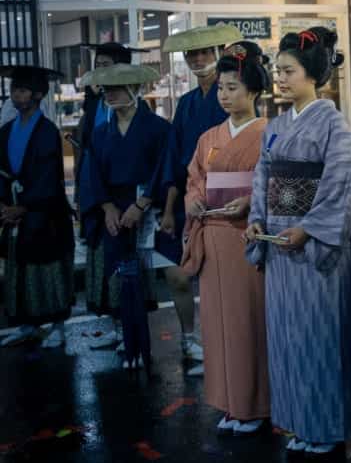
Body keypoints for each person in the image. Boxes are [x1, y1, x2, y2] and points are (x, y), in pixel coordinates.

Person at [245, 27, 351, 458]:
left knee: (318, 338)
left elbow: (341, 185)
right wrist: (257, 220)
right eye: (277, 70)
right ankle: (298, 421)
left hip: (314, 249)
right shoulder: (276, 126)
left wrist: (311, 228)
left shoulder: (333, 122)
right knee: (286, 337)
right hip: (279, 241)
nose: (280, 78)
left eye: (288, 71)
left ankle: (328, 429)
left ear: (312, 74)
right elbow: (262, 179)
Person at [181, 42, 271, 436]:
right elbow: (194, 178)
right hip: (213, 237)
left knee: (247, 321)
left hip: (244, 236)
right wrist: (194, 200)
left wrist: (251, 201)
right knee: (216, 324)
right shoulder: (209, 137)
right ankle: (228, 401)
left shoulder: (270, 133)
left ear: (253, 91)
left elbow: (276, 183)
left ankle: (253, 403)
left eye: (233, 87)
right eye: (221, 88)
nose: (224, 95)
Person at [150, 22, 243, 376]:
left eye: (204, 52)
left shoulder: (232, 97)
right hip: (188, 196)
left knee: (220, 276)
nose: (198, 59)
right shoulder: (187, 104)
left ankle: (225, 342)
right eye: (192, 54)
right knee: (178, 274)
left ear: (219, 54)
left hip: (226, 194)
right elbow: (174, 159)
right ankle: (190, 339)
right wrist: (171, 208)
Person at [79, 64, 172, 370]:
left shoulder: (157, 128)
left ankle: (151, 341)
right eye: (107, 89)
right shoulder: (101, 131)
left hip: (146, 205)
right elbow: (92, 173)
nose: (111, 94)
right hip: (114, 210)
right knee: (120, 273)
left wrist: (142, 204)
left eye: (119, 88)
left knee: (150, 275)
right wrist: (106, 208)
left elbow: (165, 169)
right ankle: (125, 336)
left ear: (136, 90)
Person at [75, 43, 148, 349]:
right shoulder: (94, 105)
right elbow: (88, 156)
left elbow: (154, 166)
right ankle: (114, 324)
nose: (102, 73)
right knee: (102, 259)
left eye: (107, 65)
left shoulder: (146, 119)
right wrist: (97, 202)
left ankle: (131, 327)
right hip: (101, 196)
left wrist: (140, 203)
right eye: (99, 65)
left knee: (129, 262)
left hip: (133, 200)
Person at [0, 66, 74, 349]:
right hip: (15, 208)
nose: (15, 95)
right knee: (20, 268)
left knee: (47, 267)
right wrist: (4, 203)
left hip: (45, 212)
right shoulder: (7, 130)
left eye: (22, 90)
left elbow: (48, 176)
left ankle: (57, 325)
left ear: (38, 94)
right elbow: (2, 171)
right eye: (13, 89)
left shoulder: (47, 131)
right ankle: (27, 323)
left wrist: (25, 206)